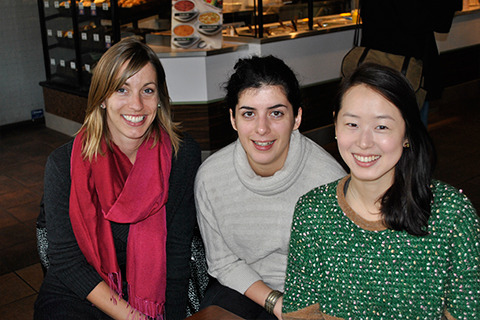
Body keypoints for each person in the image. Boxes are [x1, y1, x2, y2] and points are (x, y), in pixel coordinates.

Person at [282, 63, 480, 319]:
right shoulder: (313, 212)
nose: (364, 142)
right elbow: (300, 312)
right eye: (352, 124)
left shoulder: (451, 214)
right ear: (335, 125)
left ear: (407, 132)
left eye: (382, 127)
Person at [34, 37, 207, 320]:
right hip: (83, 289)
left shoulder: (182, 156)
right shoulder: (63, 165)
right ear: (102, 98)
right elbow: (66, 262)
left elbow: (176, 252)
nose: (136, 104)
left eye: (147, 90)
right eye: (122, 89)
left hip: (157, 289)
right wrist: (133, 317)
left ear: (160, 99)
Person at [194, 55, 346, 319]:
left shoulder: (327, 181)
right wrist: (275, 302)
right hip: (241, 284)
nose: (262, 128)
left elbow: (338, 272)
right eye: (249, 114)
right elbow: (223, 262)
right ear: (233, 119)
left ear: (296, 118)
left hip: (311, 293)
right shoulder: (211, 177)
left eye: (276, 113)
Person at [359, 0, 462, 126]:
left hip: (376, 62)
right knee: (409, 129)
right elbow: (421, 19)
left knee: (381, 125)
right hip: (407, 68)